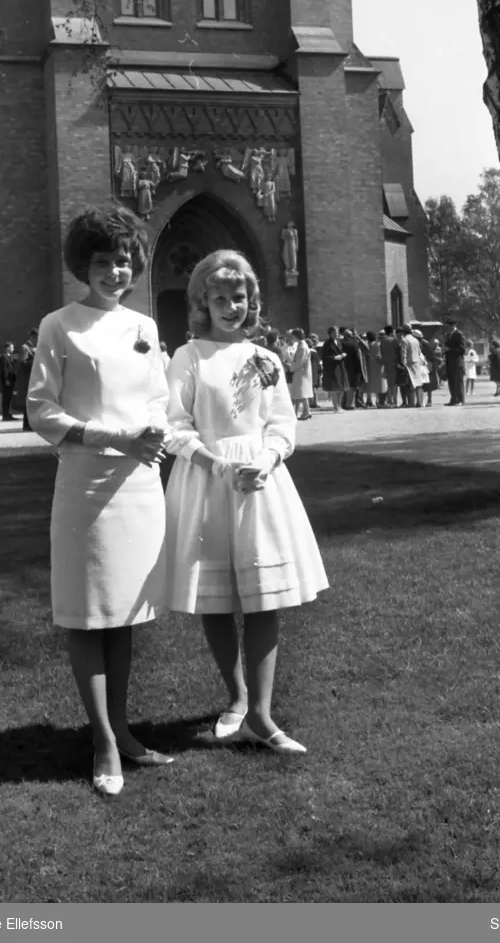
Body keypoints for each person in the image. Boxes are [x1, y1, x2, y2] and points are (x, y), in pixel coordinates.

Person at [27, 204, 170, 798]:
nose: (117, 272)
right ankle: (103, 740)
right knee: (90, 612)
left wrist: (156, 431)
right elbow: (42, 411)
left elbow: (158, 395)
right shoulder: (58, 325)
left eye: (125, 261)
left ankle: (124, 727)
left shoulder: (145, 327)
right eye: (104, 262)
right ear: (83, 266)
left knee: (125, 614)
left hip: (140, 484)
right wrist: (119, 439)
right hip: (87, 482)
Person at [164, 250, 328, 755]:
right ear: (202, 303)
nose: (231, 307)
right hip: (208, 480)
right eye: (220, 299)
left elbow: (281, 422)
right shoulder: (189, 357)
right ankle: (235, 697)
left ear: (251, 301)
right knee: (216, 596)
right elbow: (175, 425)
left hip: (260, 482)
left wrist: (270, 458)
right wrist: (214, 463)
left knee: (263, 597)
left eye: (239, 297)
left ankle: (261, 712)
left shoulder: (267, 359)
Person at [321, 325, 349, 412]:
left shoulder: (338, 342)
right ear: (330, 334)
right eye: (334, 332)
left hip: (340, 366)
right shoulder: (327, 343)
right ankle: (335, 407)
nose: (337, 334)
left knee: (341, 387)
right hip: (332, 368)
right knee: (334, 388)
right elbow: (325, 356)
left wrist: (343, 355)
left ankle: (339, 405)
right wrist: (337, 357)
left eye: (337, 332)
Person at [289, 328, 313, 420]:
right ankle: (306, 411)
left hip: (301, 372)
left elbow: (300, 362)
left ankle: (306, 411)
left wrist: (291, 367)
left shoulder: (302, 346)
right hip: (302, 372)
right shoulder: (301, 345)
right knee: (302, 393)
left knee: (302, 393)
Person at [19, 328, 39, 431]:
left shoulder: (35, 347)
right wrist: (34, 361)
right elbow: (22, 363)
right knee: (29, 401)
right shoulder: (25, 347)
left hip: (35, 377)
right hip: (28, 378)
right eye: (37, 337)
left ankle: (32, 424)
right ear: (33, 337)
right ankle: (27, 425)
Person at [444, 318, 466, 406]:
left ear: (453, 325)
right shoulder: (449, 335)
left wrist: (450, 349)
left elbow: (462, 349)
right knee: (451, 381)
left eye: (448, 326)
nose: (447, 328)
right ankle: (453, 399)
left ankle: (460, 400)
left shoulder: (459, 334)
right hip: (450, 362)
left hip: (457, 361)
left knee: (458, 381)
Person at [364, 331, 387, 407]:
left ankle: (369, 400)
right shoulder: (377, 344)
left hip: (369, 366)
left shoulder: (367, 345)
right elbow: (378, 356)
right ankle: (378, 401)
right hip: (377, 366)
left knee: (369, 384)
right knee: (379, 384)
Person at [379, 326, 400, 407]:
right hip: (394, 364)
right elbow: (398, 351)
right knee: (394, 384)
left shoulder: (383, 341)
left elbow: (381, 352)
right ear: (392, 331)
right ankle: (395, 401)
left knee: (388, 384)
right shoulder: (395, 340)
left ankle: (389, 401)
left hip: (386, 364)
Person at [0, 342, 19, 420]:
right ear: (8, 348)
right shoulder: (4, 357)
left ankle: (8, 413)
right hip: (7, 382)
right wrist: (6, 380)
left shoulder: (10, 356)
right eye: (12, 347)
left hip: (11, 380)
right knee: (6, 398)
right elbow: (4, 369)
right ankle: (5, 415)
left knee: (9, 398)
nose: (13, 349)